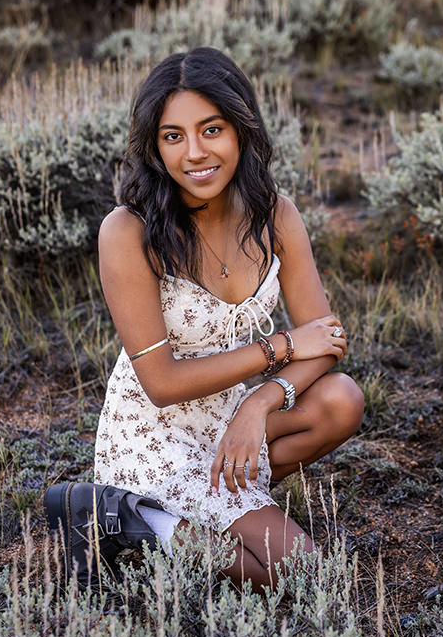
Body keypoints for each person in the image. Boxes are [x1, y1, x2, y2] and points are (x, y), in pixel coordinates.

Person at [93, 46, 364, 590]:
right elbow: (163, 384)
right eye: (173, 136)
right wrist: (279, 349)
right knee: (309, 576)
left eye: (211, 129)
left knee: (342, 399)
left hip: (230, 416)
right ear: (155, 147)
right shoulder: (127, 232)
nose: (194, 152)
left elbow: (328, 340)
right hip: (152, 436)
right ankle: (142, 523)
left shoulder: (274, 214)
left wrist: (261, 400)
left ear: (241, 129)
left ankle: (201, 519)